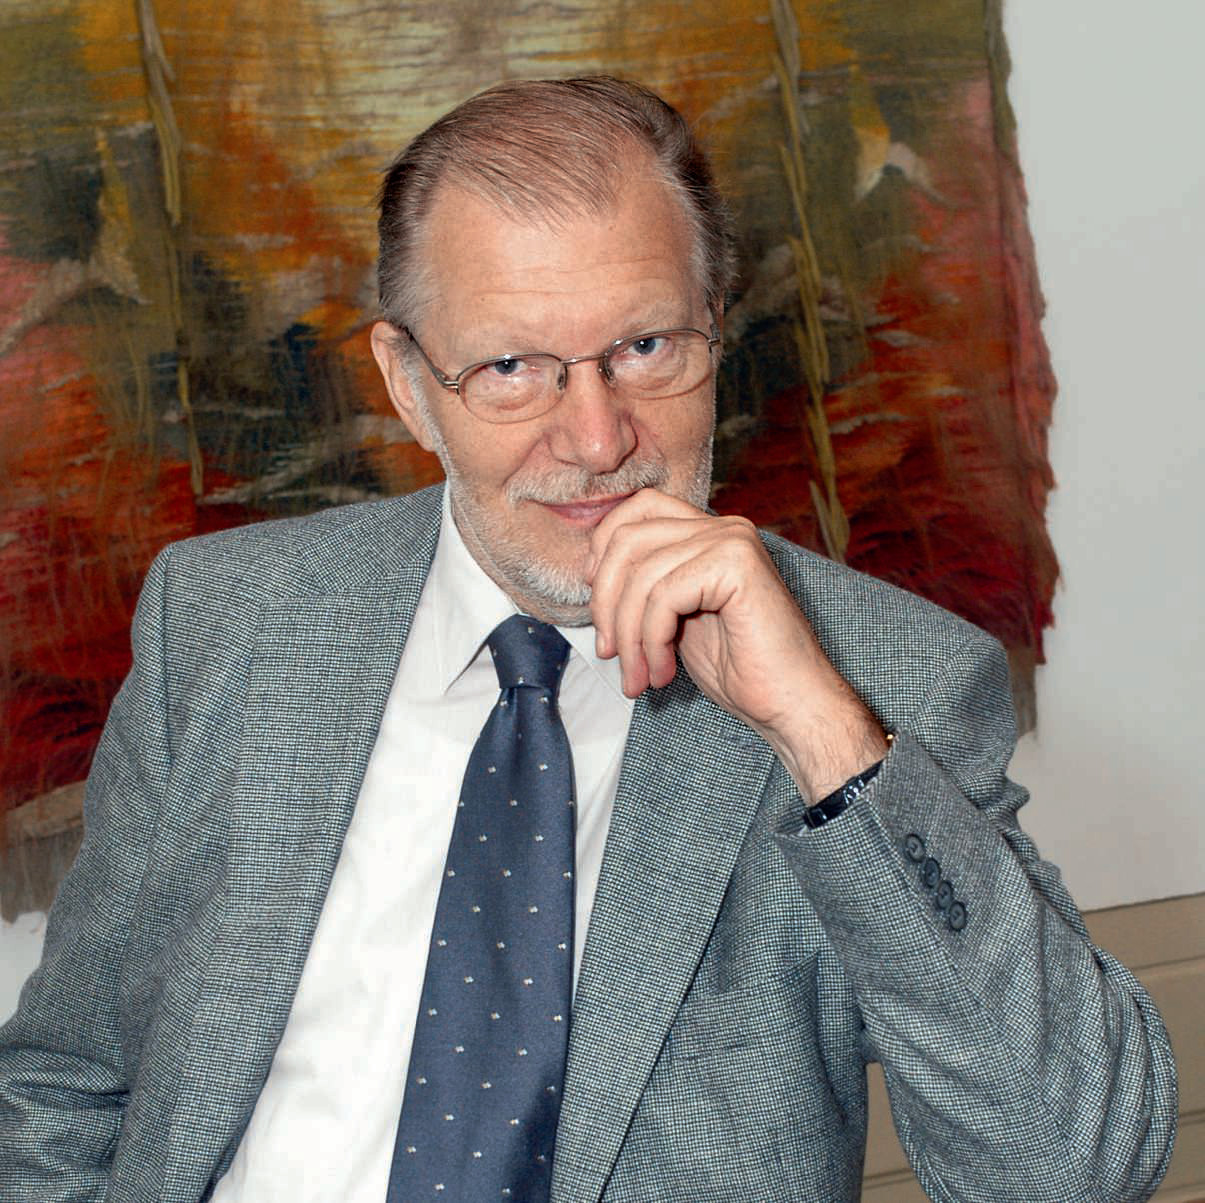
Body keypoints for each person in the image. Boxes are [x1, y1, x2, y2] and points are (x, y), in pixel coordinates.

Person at [0, 76, 1177, 1203]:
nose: (599, 437)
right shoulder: (227, 620)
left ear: (714, 332)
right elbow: (62, 1087)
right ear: (407, 383)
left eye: (646, 347)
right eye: (512, 367)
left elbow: (1066, 1171)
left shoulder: (879, 681)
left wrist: (821, 735)